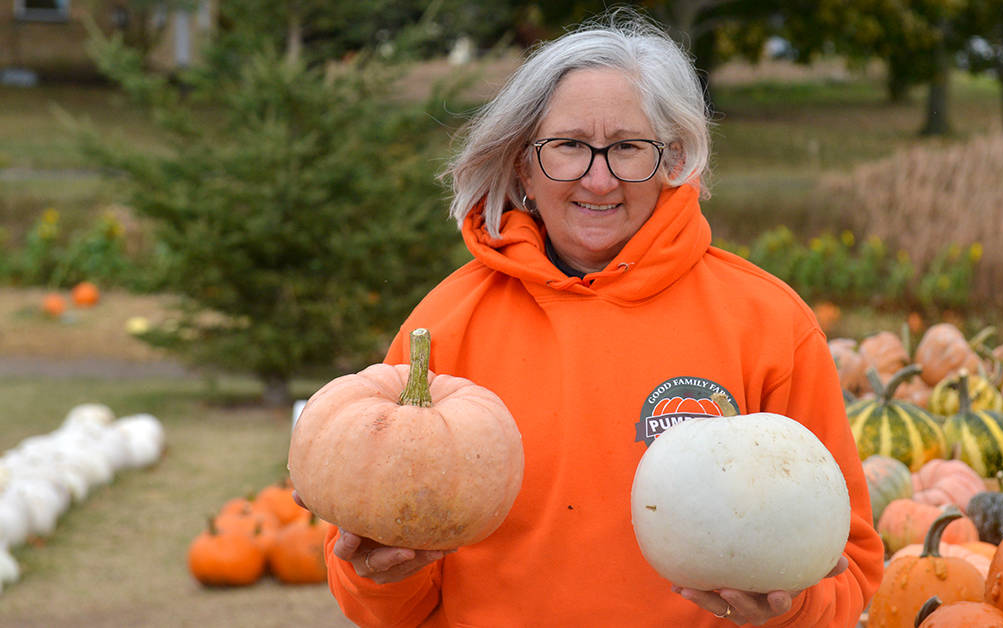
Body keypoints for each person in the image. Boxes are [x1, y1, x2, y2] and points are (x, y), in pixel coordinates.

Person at [320, 10, 884, 627]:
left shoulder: (767, 322)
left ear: (672, 160)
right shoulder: (447, 324)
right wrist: (379, 575)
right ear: (522, 164)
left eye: (626, 147)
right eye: (568, 146)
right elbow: (380, 601)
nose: (598, 177)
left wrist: (789, 609)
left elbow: (849, 565)